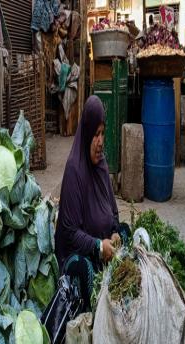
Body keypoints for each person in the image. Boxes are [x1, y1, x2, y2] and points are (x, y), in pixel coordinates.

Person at [55, 95, 125, 310]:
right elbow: (69, 232)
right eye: (96, 135)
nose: (100, 142)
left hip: (103, 245)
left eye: (103, 134)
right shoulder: (74, 170)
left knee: (126, 231)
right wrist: (97, 246)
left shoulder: (101, 166)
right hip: (77, 254)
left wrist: (113, 233)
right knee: (85, 270)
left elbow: (112, 210)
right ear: (86, 135)